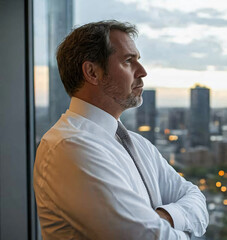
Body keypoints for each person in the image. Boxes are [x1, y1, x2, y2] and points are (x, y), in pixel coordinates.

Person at [33, 20, 209, 240]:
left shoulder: (137, 144)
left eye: (138, 61)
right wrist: (177, 224)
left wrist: (165, 217)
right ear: (92, 72)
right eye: (128, 61)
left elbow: (195, 198)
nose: (143, 72)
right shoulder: (69, 148)